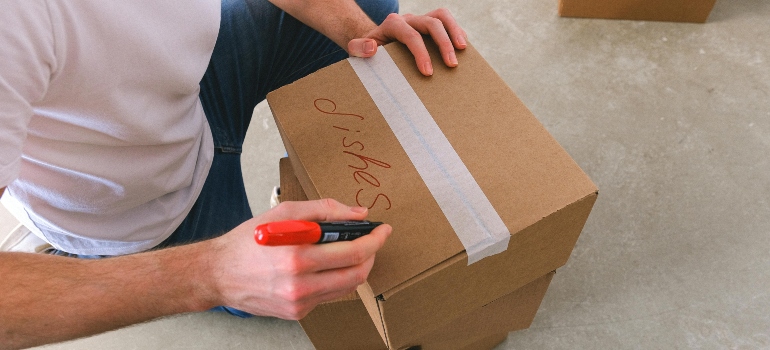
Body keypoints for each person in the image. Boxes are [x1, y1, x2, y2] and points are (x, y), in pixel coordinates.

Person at [0, 0, 467, 348]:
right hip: (137, 208)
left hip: (196, 76)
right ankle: (74, 255)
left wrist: (361, 36)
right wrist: (212, 272)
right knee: (312, 290)